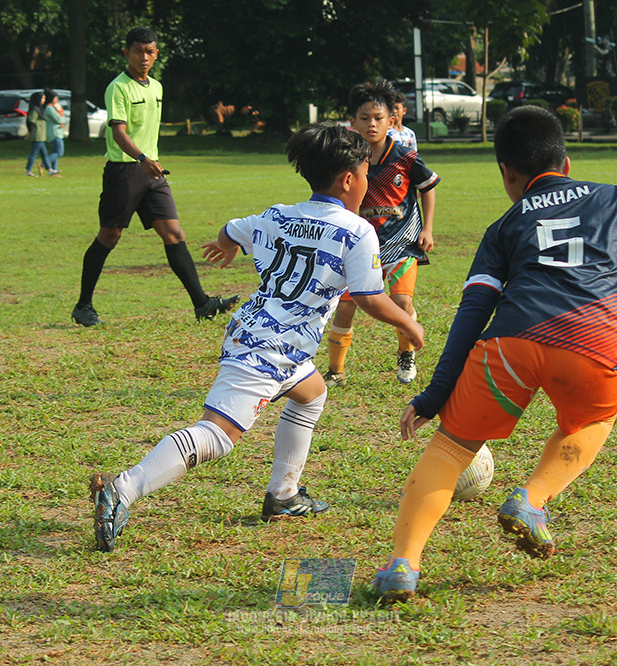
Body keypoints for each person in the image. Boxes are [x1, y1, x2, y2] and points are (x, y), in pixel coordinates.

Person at [371, 106, 617, 602]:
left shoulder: (504, 226)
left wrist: (436, 392)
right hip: (592, 343)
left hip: (510, 343)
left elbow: (473, 310)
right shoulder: (615, 198)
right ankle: (531, 499)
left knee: (451, 450)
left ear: (506, 174)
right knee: (592, 421)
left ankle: (403, 565)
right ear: (568, 162)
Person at [88, 123, 425, 552]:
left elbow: (232, 228)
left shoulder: (278, 214)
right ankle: (122, 488)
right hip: (268, 349)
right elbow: (369, 298)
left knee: (312, 393)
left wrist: (227, 245)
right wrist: (408, 323)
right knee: (217, 436)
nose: (366, 183)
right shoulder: (357, 231)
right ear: (348, 179)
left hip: (264, 335)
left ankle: (283, 495)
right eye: (364, 175)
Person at [71, 27, 237, 326]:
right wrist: (141, 158)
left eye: (149, 52)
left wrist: (149, 161)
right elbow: (118, 132)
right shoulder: (118, 88)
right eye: (138, 51)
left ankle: (202, 303)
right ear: (127, 53)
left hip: (152, 171)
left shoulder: (157, 87)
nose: (144, 57)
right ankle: (83, 306)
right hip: (124, 170)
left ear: (156, 53)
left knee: (174, 235)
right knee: (109, 236)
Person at [324, 79, 439, 386]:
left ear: (392, 121)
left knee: (401, 303)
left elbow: (428, 188)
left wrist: (427, 228)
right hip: (359, 247)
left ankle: (406, 355)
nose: (371, 125)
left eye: (378, 119)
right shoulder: (346, 160)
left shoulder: (405, 157)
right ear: (352, 122)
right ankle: (336, 371)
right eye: (364, 118)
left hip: (401, 244)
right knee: (346, 307)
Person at [24, 92, 51, 177]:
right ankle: (28, 170)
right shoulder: (35, 109)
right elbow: (31, 121)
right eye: (42, 98)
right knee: (34, 153)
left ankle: (50, 170)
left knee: (44, 153)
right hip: (37, 135)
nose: (44, 100)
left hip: (41, 135)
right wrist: (29, 132)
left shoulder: (40, 108)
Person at [44, 89, 66, 176]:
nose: (57, 99)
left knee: (55, 152)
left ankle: (53, 171)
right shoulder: (49, 108)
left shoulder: (52, 107)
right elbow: (59, 119)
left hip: (55, 132)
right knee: (59, 153)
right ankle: (43, 164)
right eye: (55, 97)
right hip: (54, 133)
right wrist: (60, 111)